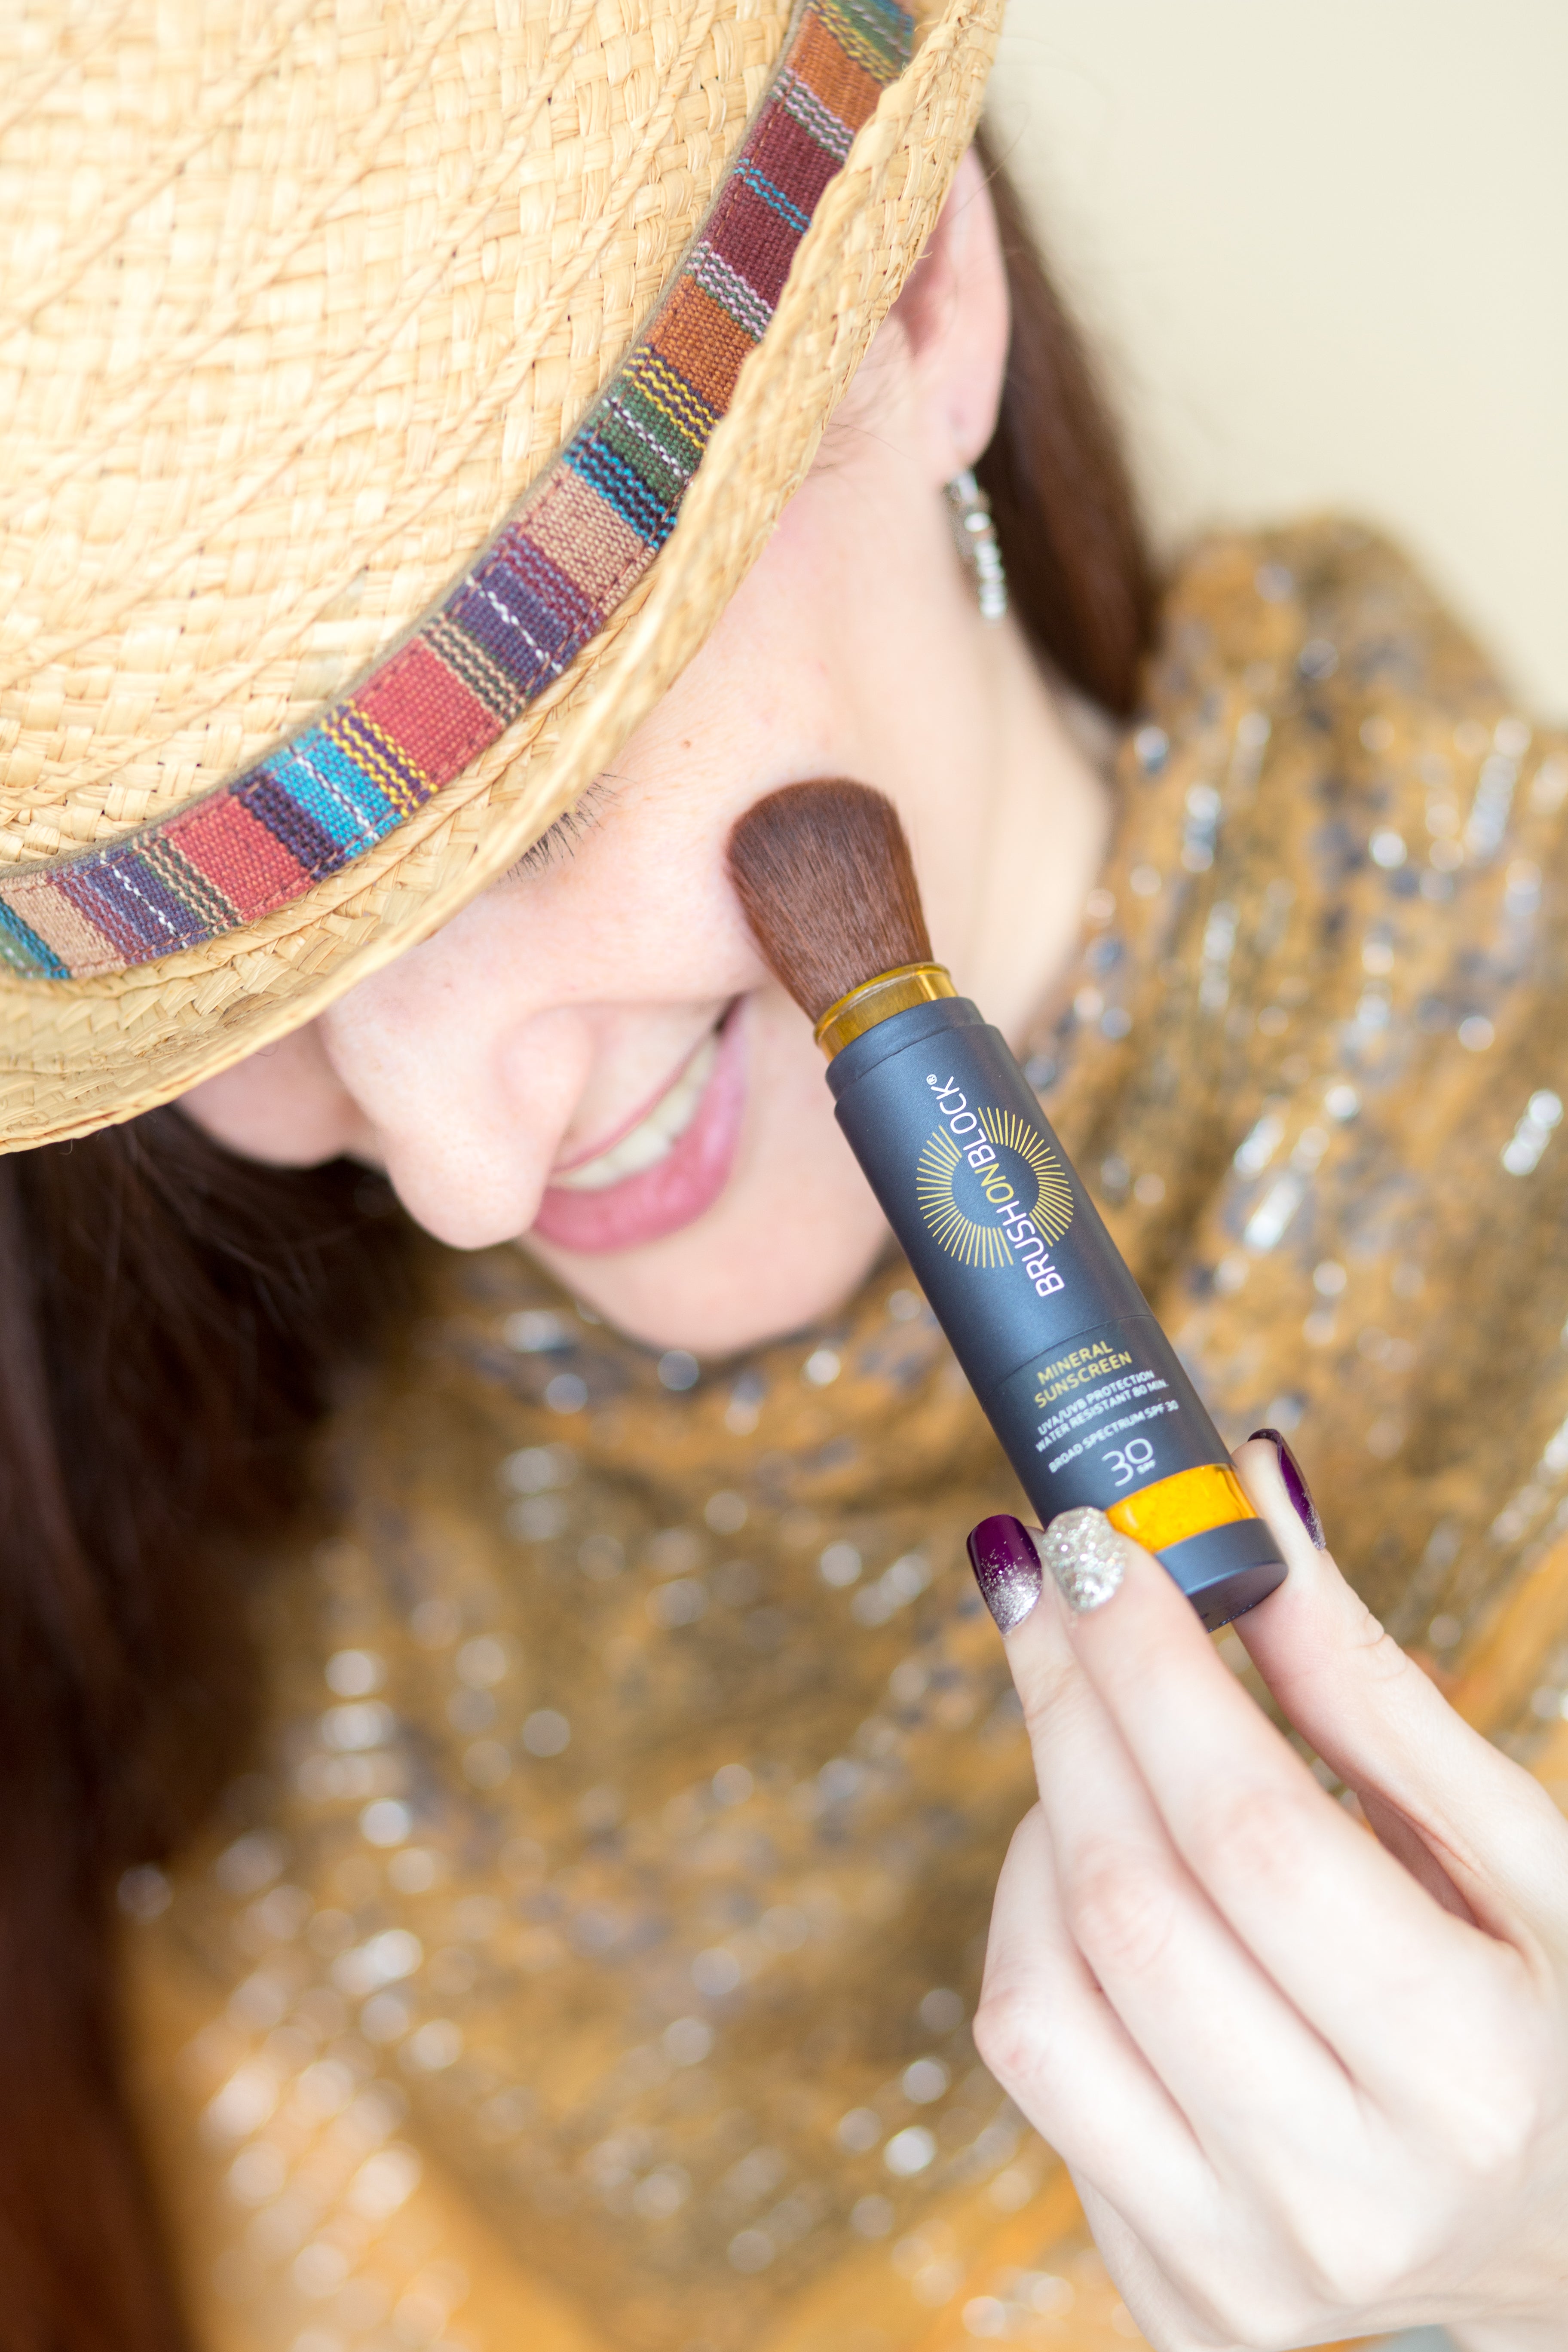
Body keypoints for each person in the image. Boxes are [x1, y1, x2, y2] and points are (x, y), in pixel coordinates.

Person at [3, 3, 1567, 2349]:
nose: (448, 1166)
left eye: (513, 822)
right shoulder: (193, 1493)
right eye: (235, 998)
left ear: (914, 297)